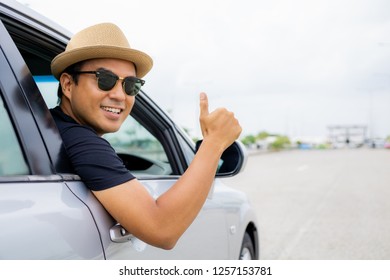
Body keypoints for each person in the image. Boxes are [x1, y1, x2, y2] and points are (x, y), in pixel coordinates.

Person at [50, 22, 241, 250]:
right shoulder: (82, 142)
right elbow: (162, 229)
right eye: (105, 79)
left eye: (131, 85)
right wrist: (214, 143)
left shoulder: (52, 128)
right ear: (68, 84)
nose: (120, 95)